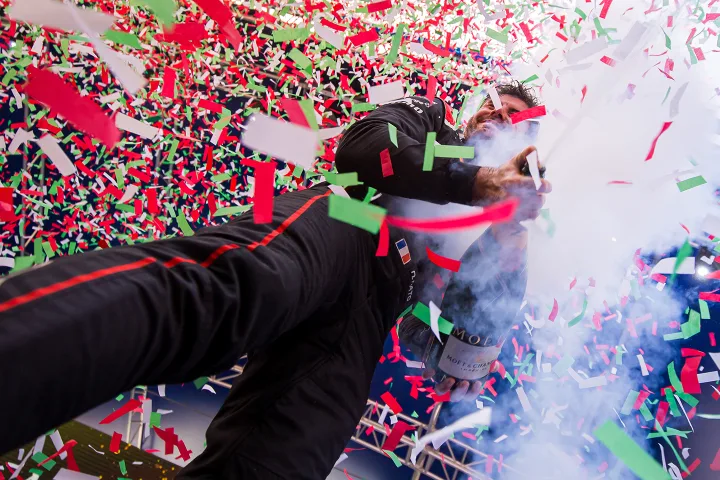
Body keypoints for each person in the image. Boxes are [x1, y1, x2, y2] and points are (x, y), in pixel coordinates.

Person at [0, 81, 549, 479]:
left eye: (516, 119)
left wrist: (455, 354)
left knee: (288, 456)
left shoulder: (484, 232)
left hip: (366, 319)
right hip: (347, 224)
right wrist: (474, 179)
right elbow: (362, 149)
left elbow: (443, 326)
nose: (499, 119)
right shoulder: (430, 122)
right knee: (229, 292)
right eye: (494, 108)